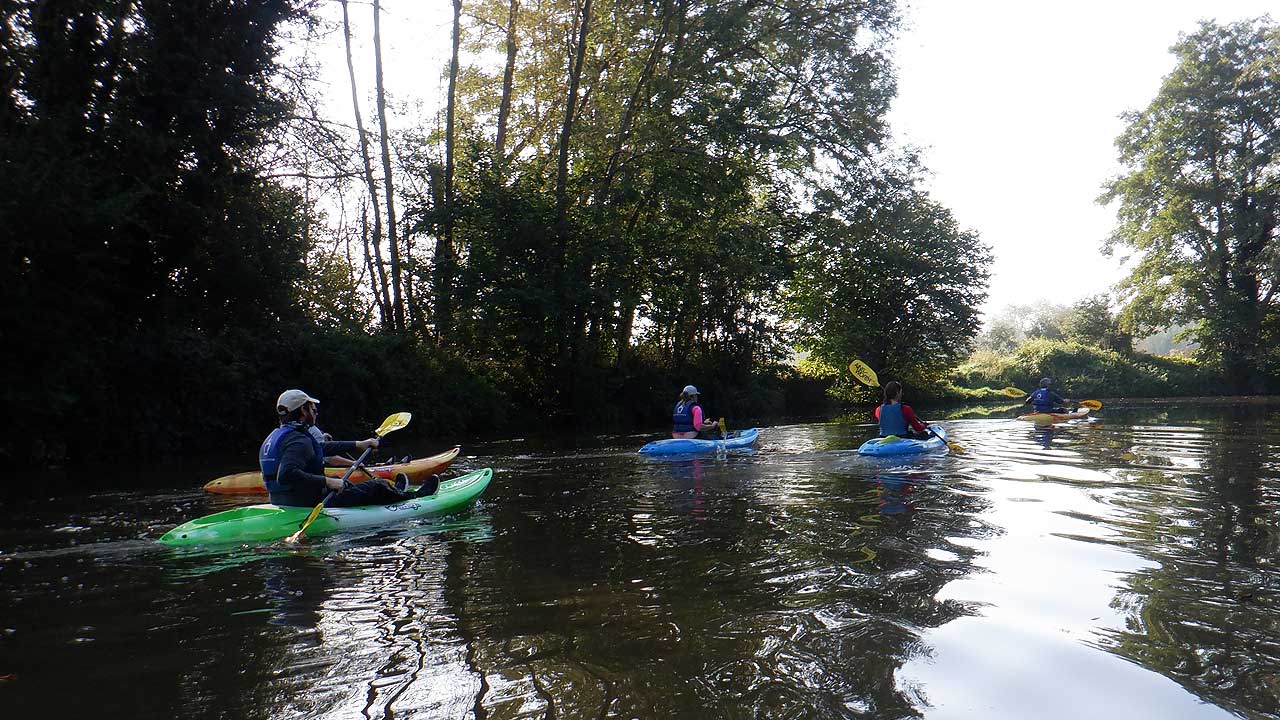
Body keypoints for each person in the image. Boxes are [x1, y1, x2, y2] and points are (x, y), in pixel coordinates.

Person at [259, 389, 438, 508]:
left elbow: (319, 447)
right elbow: (286, 475)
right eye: (312, 408)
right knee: (378, 486)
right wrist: (327, 482)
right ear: (303, 411)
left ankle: (397, 493)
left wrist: (358, 444)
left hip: (283, 501)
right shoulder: (298, 440)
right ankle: (415, 497)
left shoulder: (281, 435)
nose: (316, 411)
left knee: (345, 483)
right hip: (306, 503)